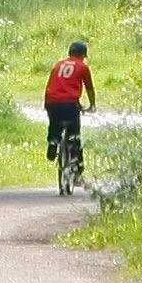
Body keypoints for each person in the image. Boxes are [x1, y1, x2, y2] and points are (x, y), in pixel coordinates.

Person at [43, 38, 97, 183]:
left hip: (52, 102)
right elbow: (89, 88)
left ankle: (53, 141)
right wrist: (92, 105)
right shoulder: (82, 67)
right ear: (82, 55)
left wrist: (46, 104)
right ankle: (77, 169)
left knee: (55, 125)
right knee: (75, 136)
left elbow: (52, 85)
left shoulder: (58, 65)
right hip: (69, 103)